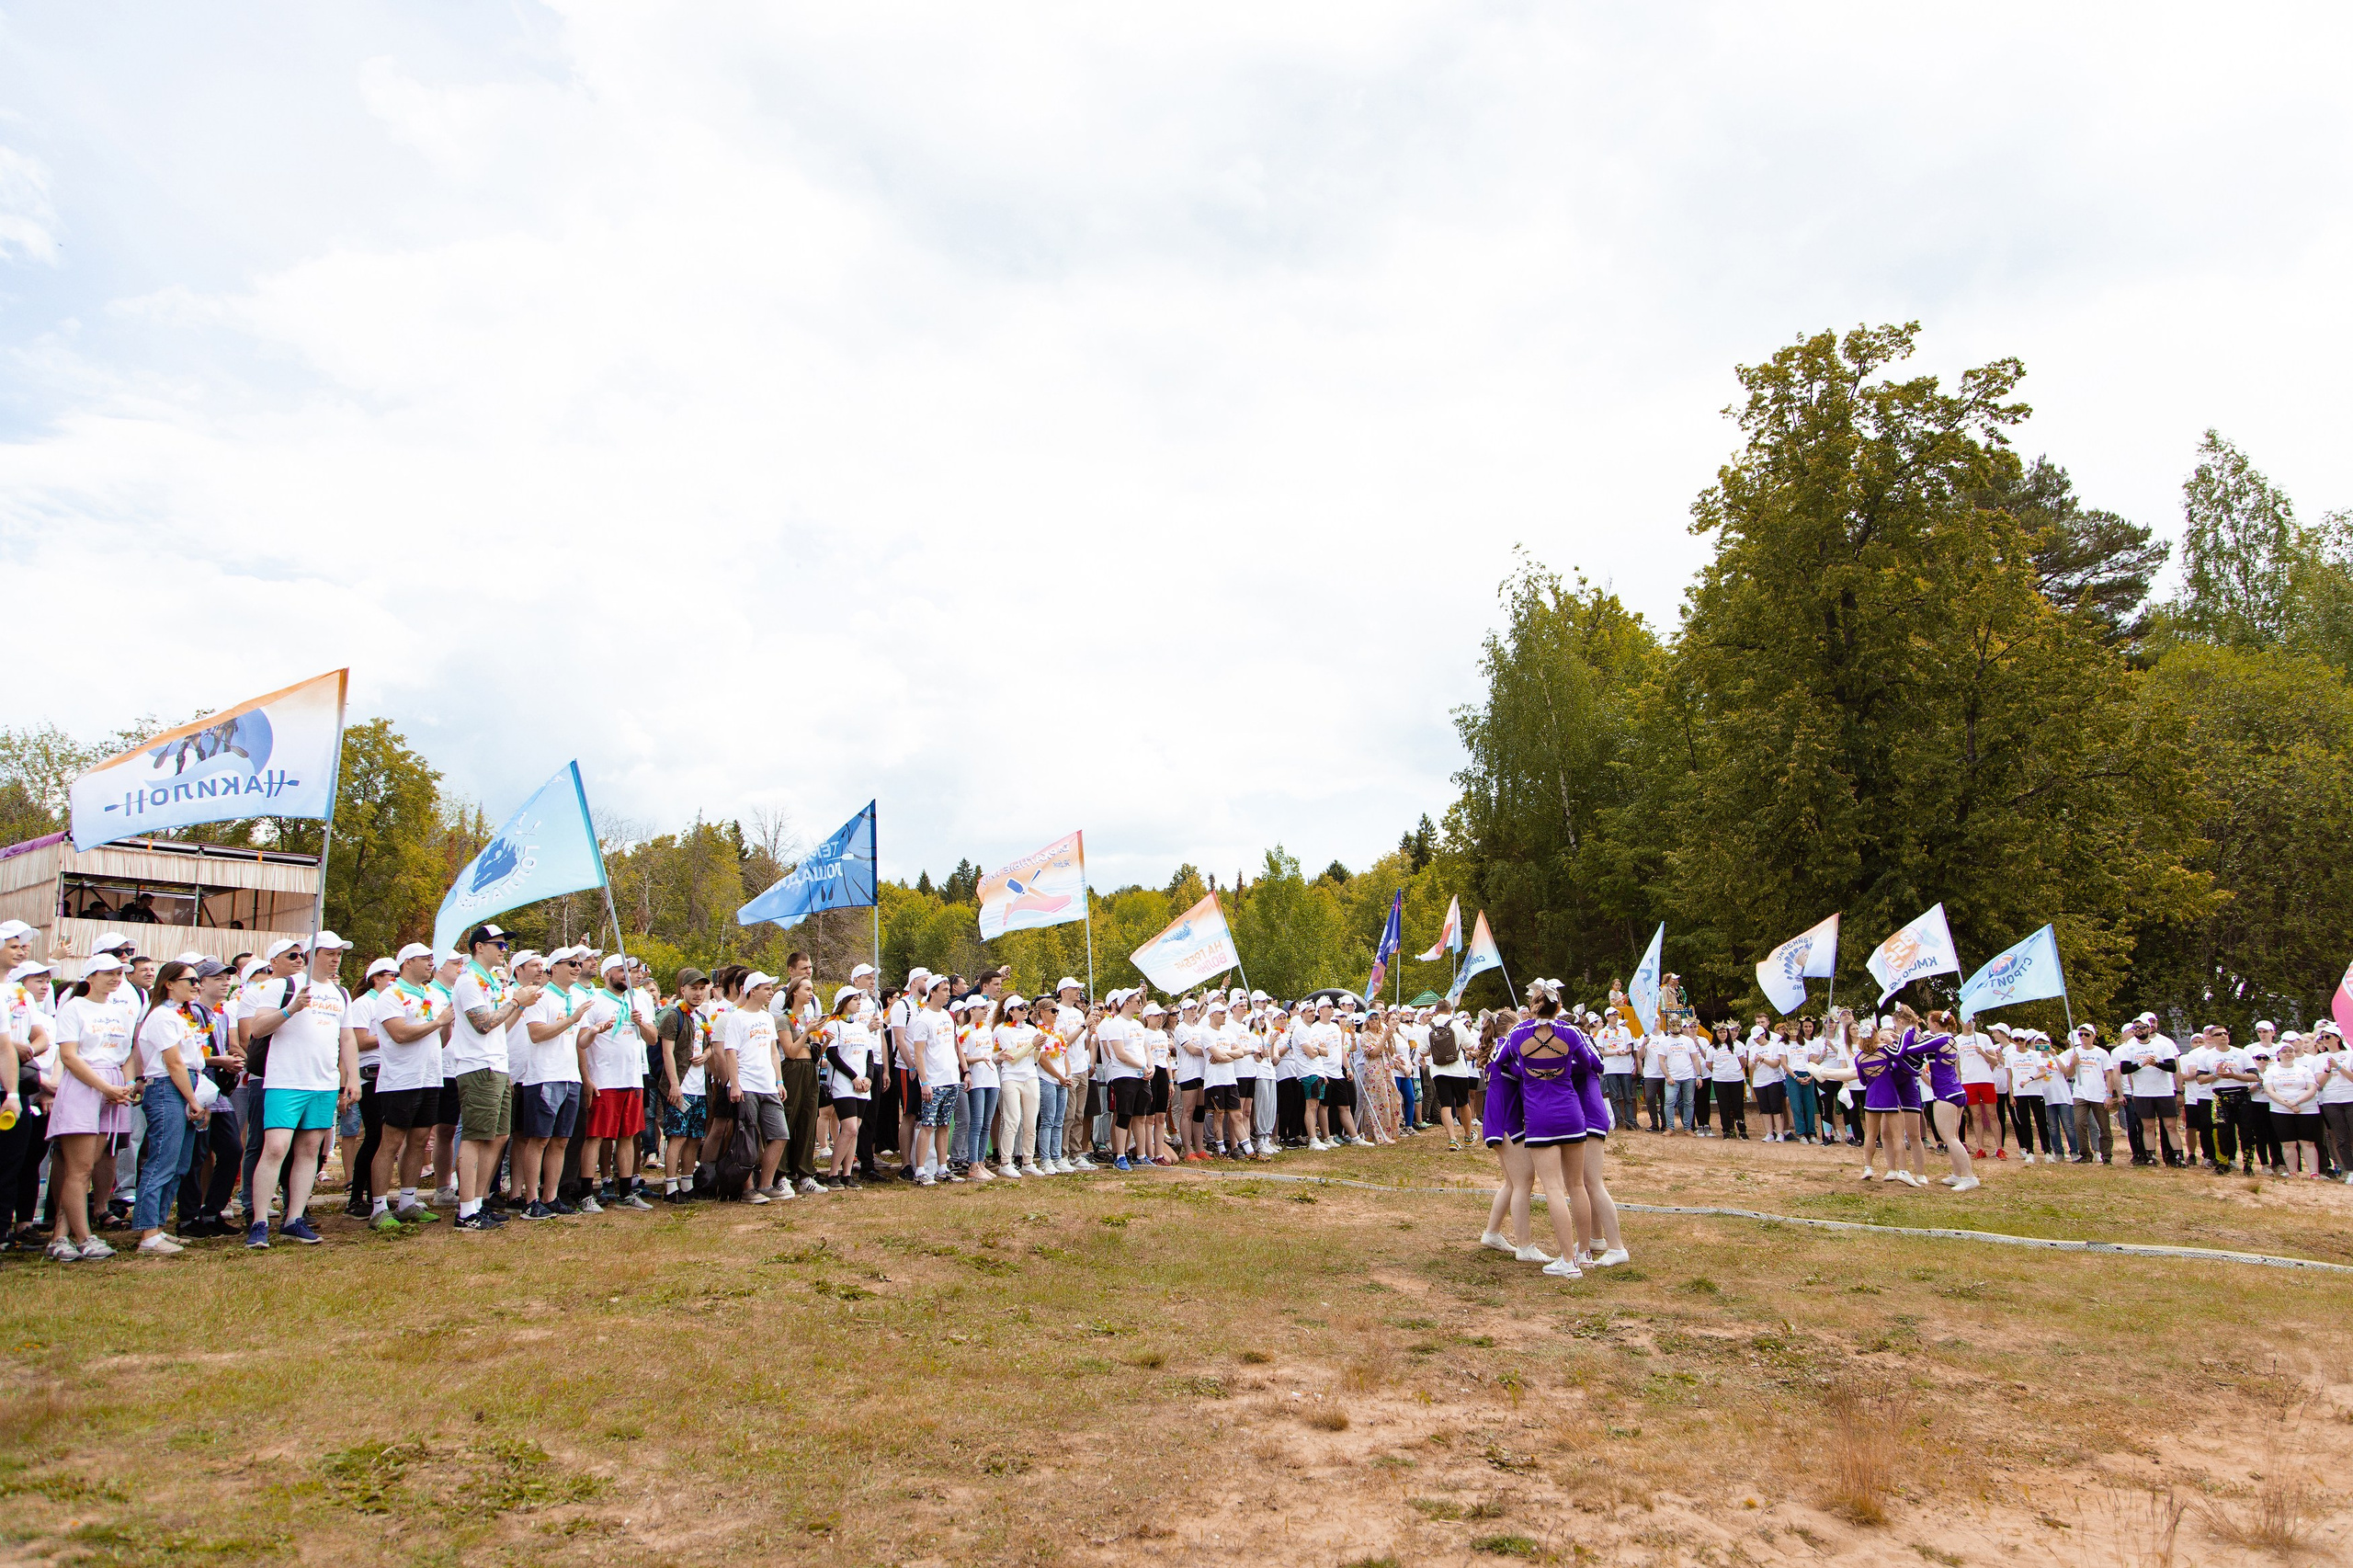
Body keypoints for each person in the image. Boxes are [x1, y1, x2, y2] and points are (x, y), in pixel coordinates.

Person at [46, 951, 138, 1259]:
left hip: (112, 1089)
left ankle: (61, 1236)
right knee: (79, 1168)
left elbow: (126, 1055)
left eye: (119, 973)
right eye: (107, 972)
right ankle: (84, 1236)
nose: (115, 978)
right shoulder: (73, 1007)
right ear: (90, 977)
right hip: (86, 1086)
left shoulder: (120, 1011)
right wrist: (105, 1088)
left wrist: (126, 1085)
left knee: (89, 1167)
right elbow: (70, 1056)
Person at [446, 924, 538, 1233]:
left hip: (497, 1064)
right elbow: (483, 1024)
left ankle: (479, 1202)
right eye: (498, 945)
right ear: (478, 947)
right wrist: (515, 1002)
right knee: (476, 1136)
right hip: (477, 1065)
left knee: (498, 1136)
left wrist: (519, 1006)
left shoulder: (492, 982)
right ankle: (465, 1209)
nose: (503, 951)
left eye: (505, 946)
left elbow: (501, 1028)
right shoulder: (468, 981)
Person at [369, 943, 452, 1229]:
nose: (431, 963)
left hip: (430, 1076)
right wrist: (438, 1021)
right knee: (390, 1142)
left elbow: (443, 1040)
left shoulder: (431, 994)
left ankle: (408, 1201)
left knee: (419, 1140)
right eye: (425, 959)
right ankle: (379, 1207)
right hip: (400, 1080)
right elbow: (399, 1034)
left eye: (432, 958)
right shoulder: (391, 995)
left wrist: (447, 1023)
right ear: (406, 962)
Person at [130, 960, 208, 1255]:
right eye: (190, 980)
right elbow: (173, 1062)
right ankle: (148, 1233)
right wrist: (192, 1100)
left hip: (184, 1084)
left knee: (179, 1164)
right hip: (167, 1088)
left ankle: (158, 1228)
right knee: (162, 1161)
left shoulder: (180, 1015)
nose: (197, 985)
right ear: (170, 984)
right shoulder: (161, 1017)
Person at [506, 949, 583, 1220]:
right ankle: (531, 1200)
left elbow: (579, 1041)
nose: (577, 967)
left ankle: (551, 1196)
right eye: (571, 963)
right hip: (544, 1076)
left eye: (579, 963)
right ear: (554, 968)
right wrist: (572, 1020)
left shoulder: (576, 997)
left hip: (570, 1075)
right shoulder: (540, 996)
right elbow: (536, 1034)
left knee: (561, 1140)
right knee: (539, 1139)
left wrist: (596, 1031)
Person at [576, 953, 656, 1210]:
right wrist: (587, 1077)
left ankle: (626, 1192)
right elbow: (581, 1043)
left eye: (629, 971)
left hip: (632, 1078)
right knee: (596, 1136)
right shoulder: (593, 1001)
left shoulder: (639, 1001)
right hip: (604, 1078)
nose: (626, 975)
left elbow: (653, 1039)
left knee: (628, 1135)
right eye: (621, 971)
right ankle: (587, 1193)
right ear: (607, 974)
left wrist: (641, 1022)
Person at [655, 967, 711, 1201]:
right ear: (683, 990)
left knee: (694, 1137)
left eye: (701, 989)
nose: (698, 994)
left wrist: (707, 1055)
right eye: (693, 989)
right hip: (681, 1086)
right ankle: (670, 1187)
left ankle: (687, 1184)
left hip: (699, 1086)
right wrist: (674, 1085)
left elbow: (709, 1046)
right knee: (677, 1136)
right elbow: (667, 1052)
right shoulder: (673, 1017)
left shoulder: (702, 1018)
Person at [821, 987, 880, 1187]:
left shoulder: (863, 1028)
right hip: (843, 1084)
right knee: (849, 1128)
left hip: (863, 1085)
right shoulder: (834, 1026)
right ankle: (832, 1173)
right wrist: (854, 1077)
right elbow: (833, 1055)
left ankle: (847, 1174)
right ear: (843, 1002)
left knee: (856, 1129)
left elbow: (869, 1056)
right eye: (854, 999)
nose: (858, 1002)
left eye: (859, 999)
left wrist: (869, 1078)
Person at [1916, 1011, 1980, 1192]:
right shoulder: (1950, 1039)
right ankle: (1957, 1174)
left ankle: (1969, 1176)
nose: (1928, 1026)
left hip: (1946, 1094)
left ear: (1936, 1024)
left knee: (1949, 1137)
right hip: (1956, 1091)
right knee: (1954, 1136)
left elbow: (1912, 1049)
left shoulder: (1940, 1039)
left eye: (1929, 1023)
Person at [905, 975, 959, 1186]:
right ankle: (920, 1170)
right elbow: (918, 1053)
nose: (947, 993)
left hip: (951, 1077)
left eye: (948, 989)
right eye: (944, 990)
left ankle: (942, 1167)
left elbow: (953, 1046)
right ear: (933, 992)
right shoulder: (922, 1019)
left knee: (944, 1124)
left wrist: (960, 1072)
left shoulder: (948, 1015)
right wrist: (924, 1081)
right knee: (927, 1125)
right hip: (933, 1080)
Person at [2114, 1013, 2183, 1167]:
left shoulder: (2162, 1045)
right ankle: (2150, 1155)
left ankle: (2178, 1156)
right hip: (2143, 1093)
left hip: (2163, 1092)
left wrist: (2156, 1064)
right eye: (2136, 1028)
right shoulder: (2129, 1047)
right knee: (2148, 1126)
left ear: (2149, 1028)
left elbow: (2172, 1067)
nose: (2139, 1030)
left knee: (2170, 1126)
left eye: (2142, 1027)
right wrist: (2140, 1064)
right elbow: (2125, 1069)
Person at [992, 994, 1042, 1177]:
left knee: (1030, 1121)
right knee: (1012, 1120)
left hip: (1030, 1076)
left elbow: (1035, 1059)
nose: (1024, 1010)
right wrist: (1032, 1045)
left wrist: (1036, 1048)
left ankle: (1027, 1161)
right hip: (1011, 1077)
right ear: (1010, 1012)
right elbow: (1012, 1058)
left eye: (1025, 1007)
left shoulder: (1031, 1029)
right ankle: (1006, 1161)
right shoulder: (1004, 1031)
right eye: (1020, 1008)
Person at [2264, 1034, 2324, 1177]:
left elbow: (2312, 1088)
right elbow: (2269, 1090)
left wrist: (2296, 1102)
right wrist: (2288, 1104)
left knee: (2307, 1142)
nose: (2288, 1054)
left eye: (2290, 1051)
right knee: (2288, 1143)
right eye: (2284, 1051)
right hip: (2280, 1110)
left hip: (2307, 1109)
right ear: (2278, 1054)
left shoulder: (2303, 1070)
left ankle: (2314, 1173)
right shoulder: (2271, 1070)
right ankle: (2293, 1172)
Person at [2063, 1024, 2120, 1165]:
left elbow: (2109, 1075)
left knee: (2103, 1126)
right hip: (2080, 1092)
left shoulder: (2101, 1053)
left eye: (2086, 1034)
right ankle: (2085, 1153)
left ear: (2093, 1036)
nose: (2083, 1037)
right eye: (2081, 1035)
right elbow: (2069, 1074)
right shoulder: (2075, 1052)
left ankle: (2106, 1155)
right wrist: (2072, 1063)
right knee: (2079, 1123)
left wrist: (2109, 1095)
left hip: (2098, 1094)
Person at [1427, 999, 1476, 1150]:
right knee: (1463, 1102)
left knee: (1445, 1104)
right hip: (1458, 1069)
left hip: (1438, 1070)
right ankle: (1468, 1135)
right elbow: (1471, 1045)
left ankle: (1452, 1139)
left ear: (1436, 1011)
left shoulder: (1428, 1027)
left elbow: (1423, 1051)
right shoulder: (1457, 1025)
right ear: (1449, 1010)